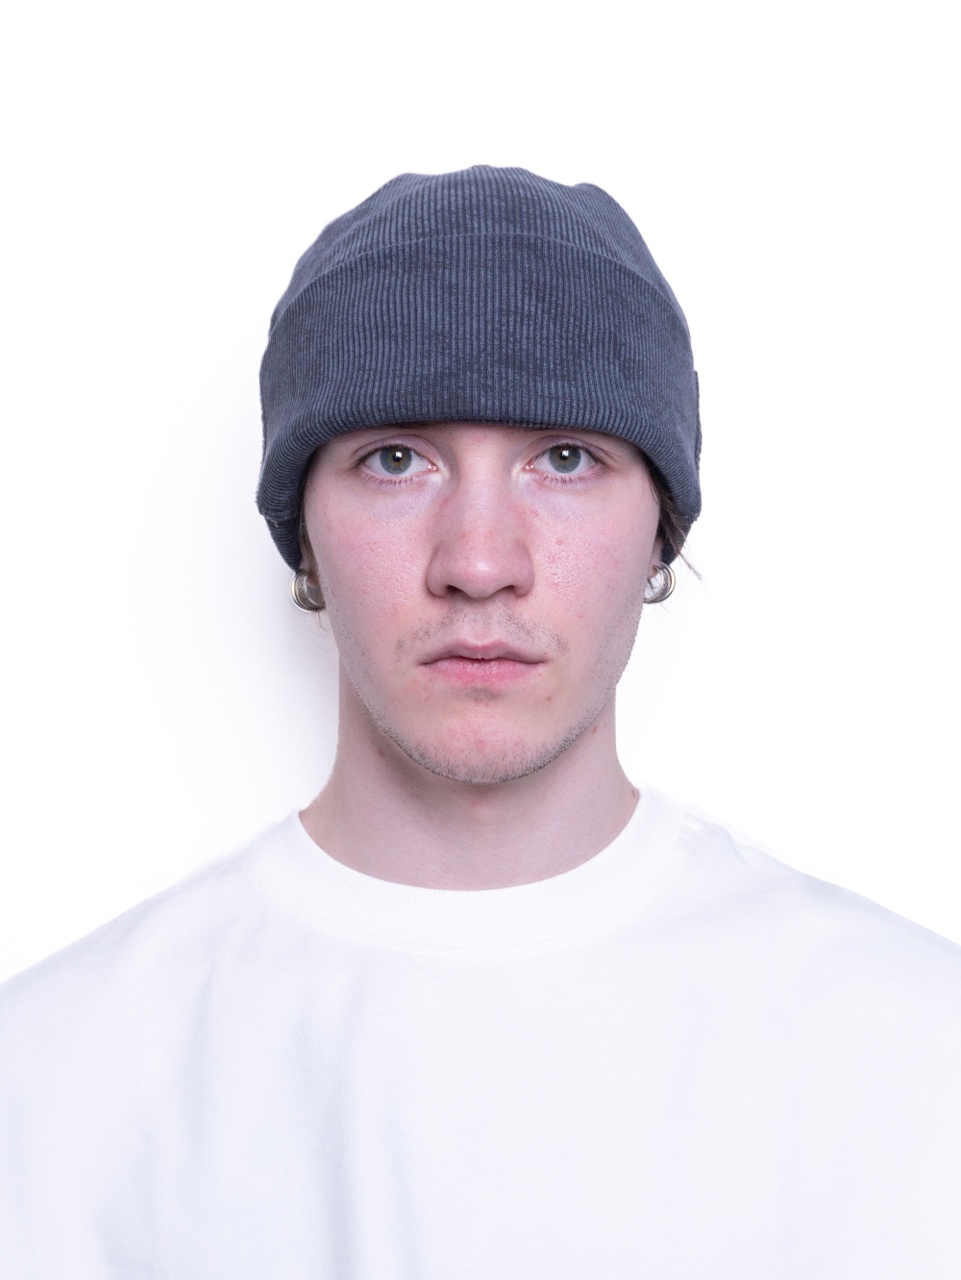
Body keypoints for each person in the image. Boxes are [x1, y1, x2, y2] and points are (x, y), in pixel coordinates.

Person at [1, 166, 959, 1279]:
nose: (479, 562)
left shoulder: (910, 1050)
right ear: (301, 528)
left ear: (661, 524)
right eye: (394, 460)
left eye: (566, 459)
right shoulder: (57, 1079)